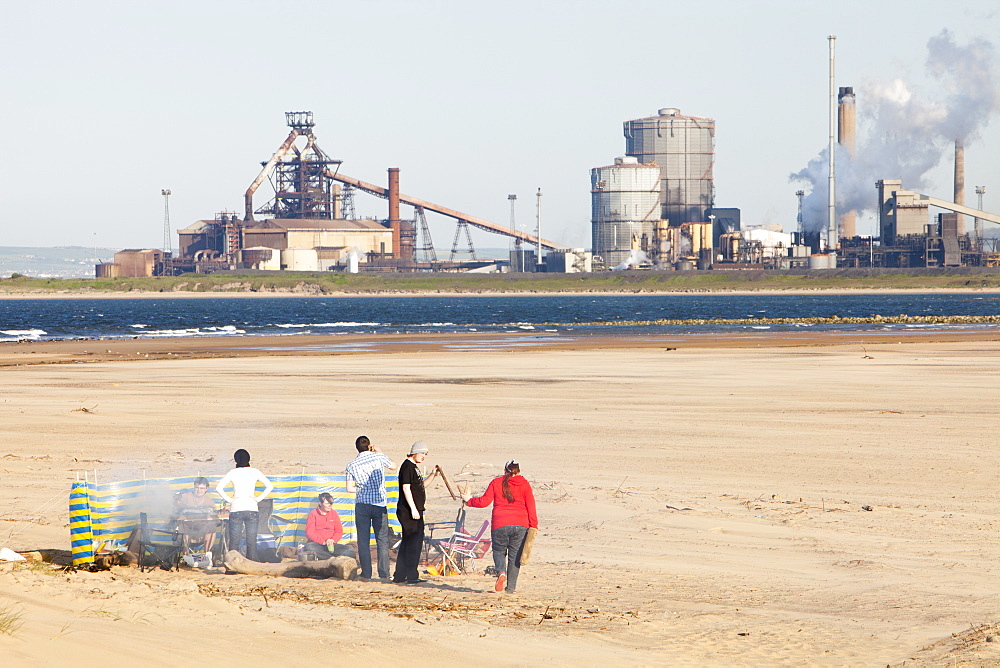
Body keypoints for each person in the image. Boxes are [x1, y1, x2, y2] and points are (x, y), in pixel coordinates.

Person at [463, 460, 538, 594]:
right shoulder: (525, 484)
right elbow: (531, 507)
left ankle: (501, 572)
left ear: (504, 471)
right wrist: (534, 526)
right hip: (520, 524)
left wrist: (469, 501)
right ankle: (510, 589)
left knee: (498, 551)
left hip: (500, 523)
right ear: (518, 471)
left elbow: (484, 502)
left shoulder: (496, 482)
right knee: (515, 557)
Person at [345, 435, 395, 580]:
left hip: (362, 504)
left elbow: (349, 488)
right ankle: (384, 573)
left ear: (357, 448)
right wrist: (380, 452)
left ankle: (366, 573)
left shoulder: (352, 464)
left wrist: (362, 490)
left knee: (363, 540)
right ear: (369, 446)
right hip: (379, 504)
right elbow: (393, 466)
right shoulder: (378, 457)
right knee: (382, 539)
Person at [216, 449, 273, 562]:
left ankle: (231, 567)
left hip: (236, 509)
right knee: (251, 540)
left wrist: (230, 500)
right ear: (249, 459)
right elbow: (270, 486)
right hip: (252, 508)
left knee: (234, 541)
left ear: (235, 460)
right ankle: (252, 565)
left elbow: (218, 488)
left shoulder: (232, 473)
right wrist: (257, 499)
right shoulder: (254, 471)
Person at [392, 441, 429, 584]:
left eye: (425, 454)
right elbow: (406, 489)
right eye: (422, 454)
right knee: (412, 543)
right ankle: (410, 576)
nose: (424, 457)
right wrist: (413, 508)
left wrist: (432, 474)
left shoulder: (414, 468)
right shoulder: (407, 467)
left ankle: (400, 576)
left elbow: (421, 486)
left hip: (416, 510)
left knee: (410, 543)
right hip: (408, 512)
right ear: (415, 452)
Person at [173, 477, 218, 556]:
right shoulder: (185, 497)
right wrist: (177, 501)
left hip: (201, 532)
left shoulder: (210, 502)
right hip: (187, 529)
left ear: (206, 489)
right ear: (194, 487)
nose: (199, 490)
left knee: (211, 526)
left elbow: (214, 517)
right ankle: (185, 556)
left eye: (202, 488)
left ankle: (207, 556)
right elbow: (175, 506)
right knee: (182, 525)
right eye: (197, 487)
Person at [302, 492, 351, 559]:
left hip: (331, 545)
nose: (329, 505)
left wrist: (332, 540)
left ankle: (328, 557)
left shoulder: (334, 513)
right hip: (317, 544)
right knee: (310, 547)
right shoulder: (313, 514)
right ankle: (332, 558)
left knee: (349, 549)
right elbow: (309, 533)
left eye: (331, 503)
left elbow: (339, 531)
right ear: (320, 503)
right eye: (327, 503)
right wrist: (322, 542)